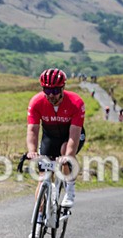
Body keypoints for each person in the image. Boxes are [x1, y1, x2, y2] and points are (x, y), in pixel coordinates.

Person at [26, 68, 86, 208]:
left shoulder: (76, 103)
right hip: (50, 136)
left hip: (71, 136)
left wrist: (68, 156)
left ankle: (70, 189)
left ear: (63, 88)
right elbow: (33, 130)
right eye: (47, 91)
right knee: (43, 178)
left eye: (55, 91)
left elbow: (74, 135)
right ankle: (39, 221)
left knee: (65, 151)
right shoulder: (36, 102)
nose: (51, 95)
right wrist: (32, 150)